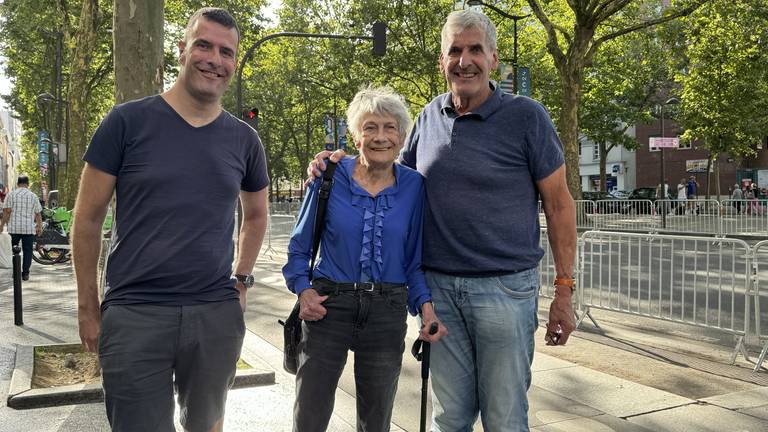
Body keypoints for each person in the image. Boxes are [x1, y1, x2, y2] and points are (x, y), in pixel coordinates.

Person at [308, 10, 576, 431]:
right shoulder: (428, 117)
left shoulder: (527, 117)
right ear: (442, 60)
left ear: (493, 59)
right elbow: (390, 177)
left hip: (504, 291)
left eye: (474, 50)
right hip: (440, 293)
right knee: (449, 418)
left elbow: (560, 206)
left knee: (505, 417)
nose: (464, 60)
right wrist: (338, 162)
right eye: (454, 50)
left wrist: (564, 291)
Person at [72, 8, 269, 432]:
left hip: (214, 313)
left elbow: (255, 214)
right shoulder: (125, 123)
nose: (214, 59)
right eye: (203, 45)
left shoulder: (244, 140)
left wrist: (242, 280)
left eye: (226, 51)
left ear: (234, 63)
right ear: (181, 50)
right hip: (135, 314)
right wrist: (88, 307)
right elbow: (87, 219)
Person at [284, 87, 447, 432]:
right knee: (309, 414)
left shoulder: (415, 186)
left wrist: (426, 309)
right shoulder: (329, 175)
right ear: (355, 136)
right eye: (370, 127)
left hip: (387, 311)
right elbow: (299, 247)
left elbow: (413, 261)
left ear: (402, 138)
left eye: (390, 128)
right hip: (329, 305)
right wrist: (303, 291)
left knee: (376, 421)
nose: (380, 137)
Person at [0, 176, 42, 281]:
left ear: (18, 184)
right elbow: (38, 214)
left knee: (14, 251)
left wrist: (1, 226)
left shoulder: (11, 195)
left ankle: (16, 272)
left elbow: (6, 212)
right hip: (28, 229)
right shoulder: (33, 196)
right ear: (28, 184)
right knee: (28, 251)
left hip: (14, 229)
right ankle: (25, 273)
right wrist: (39, 227)